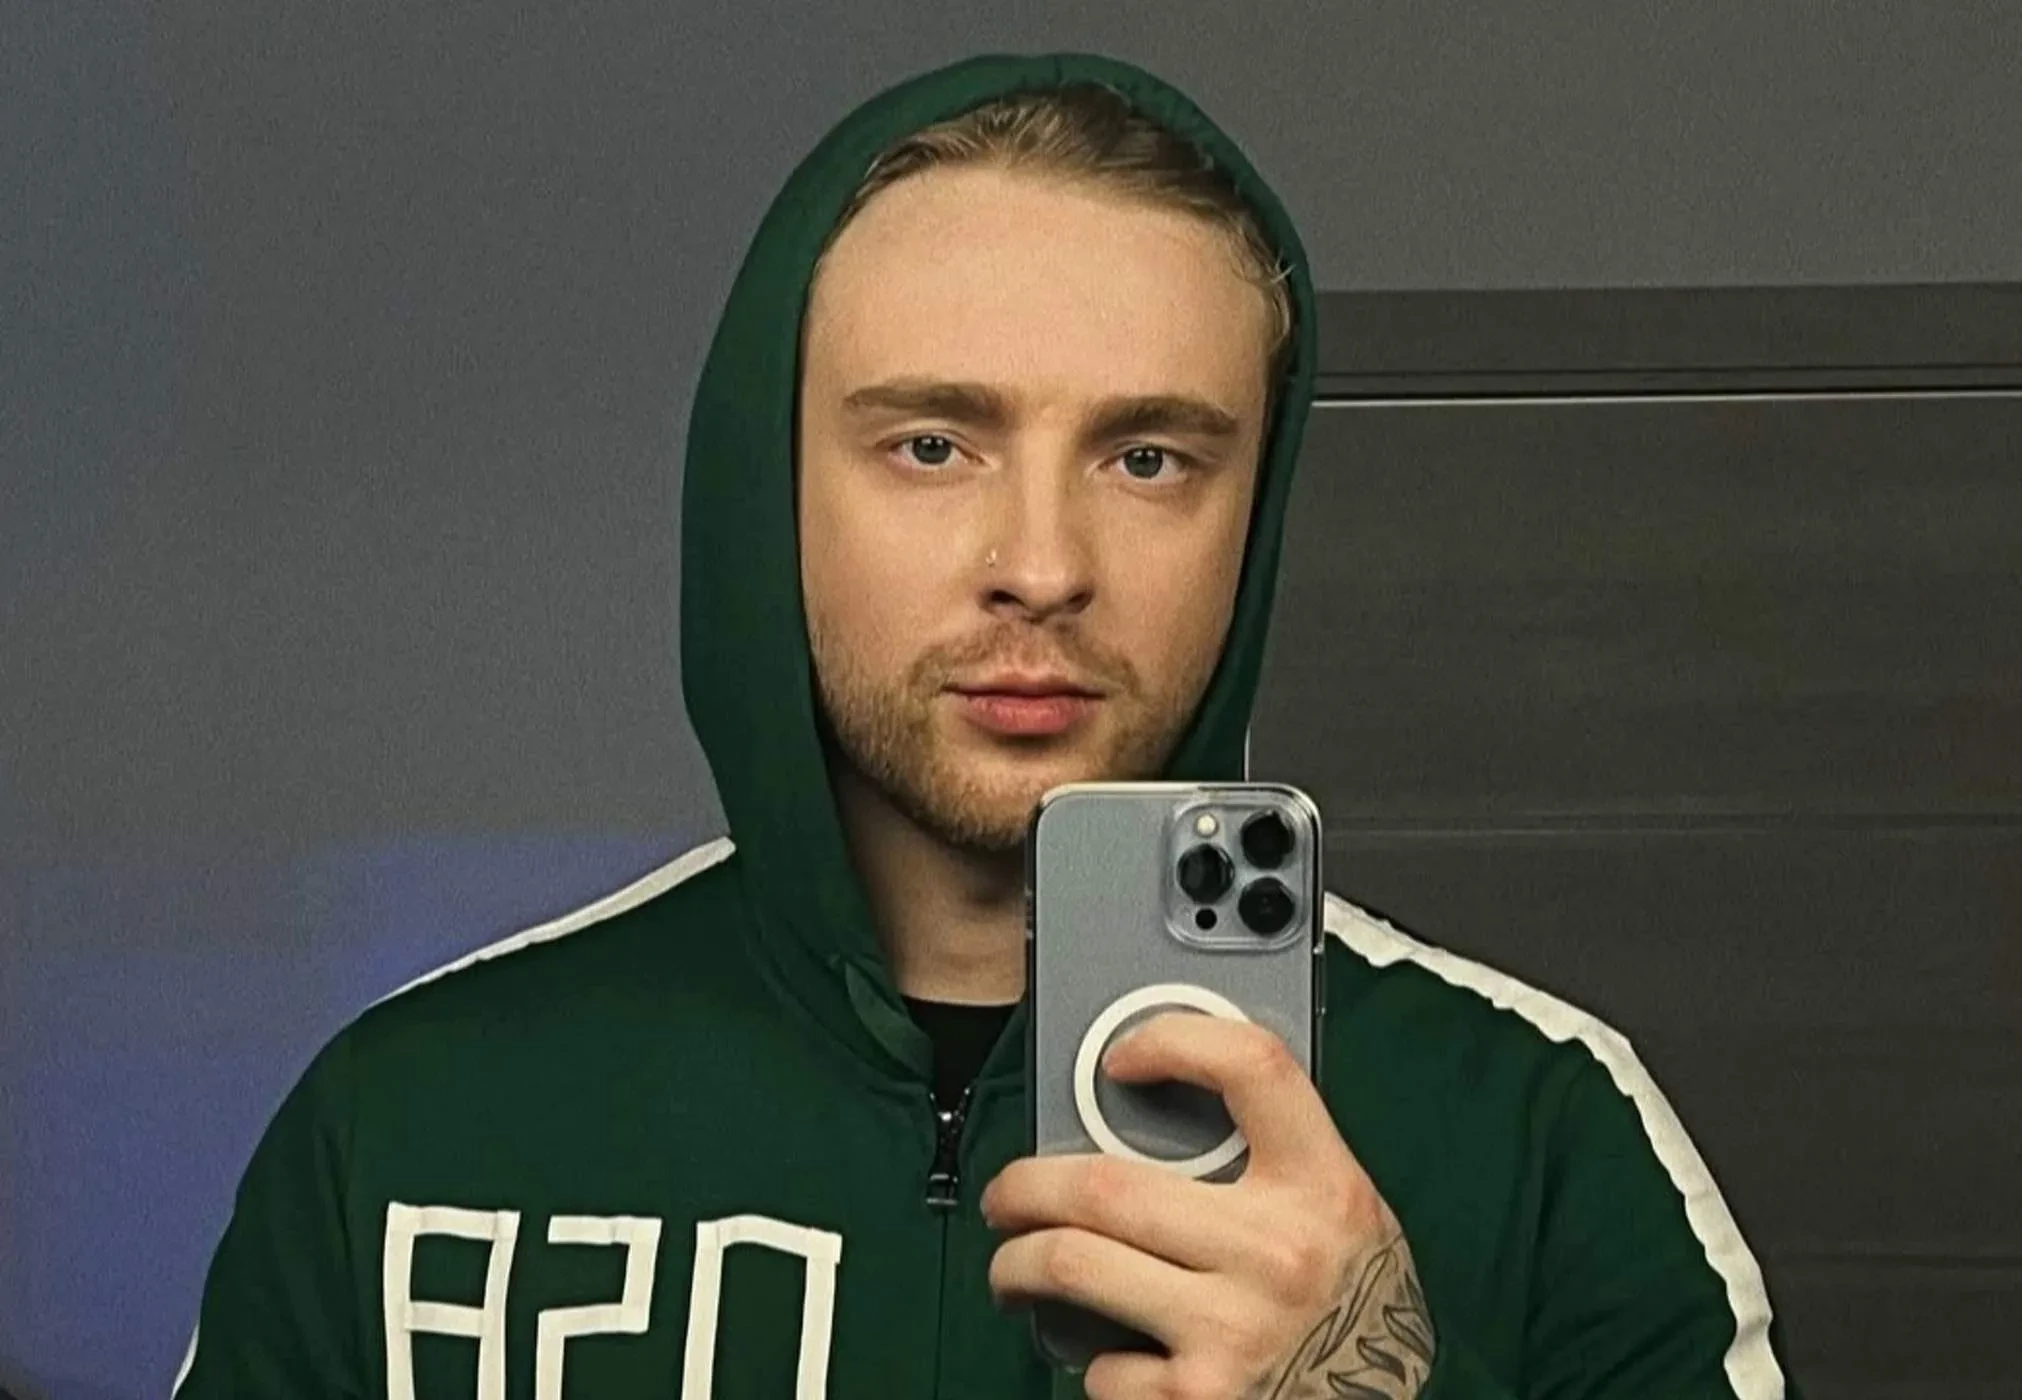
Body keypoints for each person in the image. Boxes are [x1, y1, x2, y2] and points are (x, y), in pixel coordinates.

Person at [173, 51, 1801, 1400]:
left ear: (1253, 514)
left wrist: (1369, 1385)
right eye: (932, 446)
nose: (1041, 564)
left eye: (1147, 459)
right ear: (766, 488)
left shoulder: (1538, 1129)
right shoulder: (411, 1123)